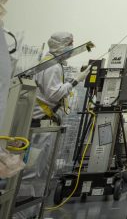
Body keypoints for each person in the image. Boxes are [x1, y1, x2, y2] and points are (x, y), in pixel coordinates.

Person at [20, 33, 87, 201]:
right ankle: (22, 210)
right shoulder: (52, 66)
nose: (72, 48)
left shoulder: (50, 63)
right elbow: (55, 94)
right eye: (70, 44)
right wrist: (75, 81)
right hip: (42, 126)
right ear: (60, 45)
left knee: (43, 170)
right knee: (33, 170)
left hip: (45, 125)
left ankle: (34, 209)